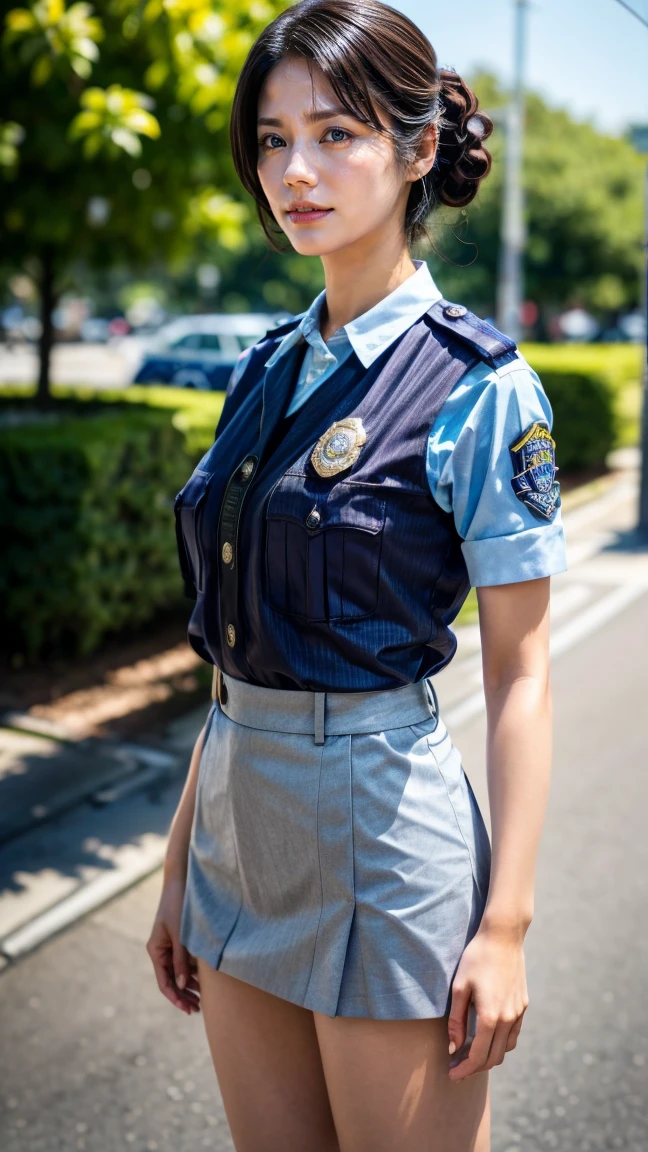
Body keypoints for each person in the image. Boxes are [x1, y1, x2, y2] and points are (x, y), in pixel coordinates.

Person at [146, 2, 567, 1148]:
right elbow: (234, 646)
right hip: (238, 824)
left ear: (418, 148)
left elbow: (523, 673)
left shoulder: (479, 388)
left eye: (336, 134)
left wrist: (508, 927)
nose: (296, 171)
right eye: (273, 141)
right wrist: (181, 865)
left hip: (380, 833)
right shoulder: (263, 373)